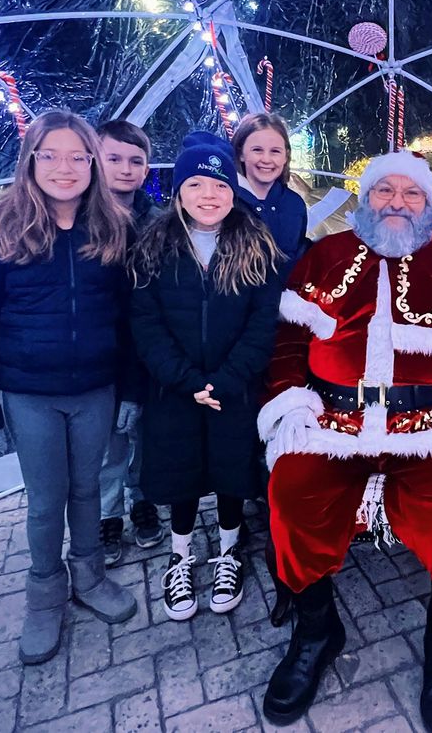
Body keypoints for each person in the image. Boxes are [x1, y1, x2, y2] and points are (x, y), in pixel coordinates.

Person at [257, 151, 432, 731]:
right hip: (330, 423)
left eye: (411, 193)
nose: (397, 202)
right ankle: (317, 632)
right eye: (383, 191)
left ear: (430, 203)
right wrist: (290, 403)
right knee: (293, 494)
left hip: (430, 428)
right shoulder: (323, 256)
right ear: (364, 197)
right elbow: (290, 341)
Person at [0, 110, 138, 666]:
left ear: (92, 164)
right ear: (31, 160)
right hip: (29, 393)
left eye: (78, 157)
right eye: (51, 155)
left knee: (87, 489)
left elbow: (129, 319)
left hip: (95, 389)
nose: (65, 168)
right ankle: (43, 595)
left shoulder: (112, 227)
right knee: (45, 500)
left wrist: (130, 388)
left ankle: (89, 576)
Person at [130, 131, 282, 621]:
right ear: (179, 193)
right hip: (175, 390)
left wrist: (227, 379)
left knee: (232, 468)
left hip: (234, 389)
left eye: (218, 185)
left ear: (232, 190)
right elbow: (146, 325)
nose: (209, 195)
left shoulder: (256, 247)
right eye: (196, 185)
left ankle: (229, 550)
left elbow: (263, 324)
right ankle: (180, 555)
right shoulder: (153, 248)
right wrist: (187, 380)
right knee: (182, 473)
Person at [95, 119, 164, 563]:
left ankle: (143, 504)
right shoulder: (77, 221)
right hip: (99, 355)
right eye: (114, 158)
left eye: (135, 161)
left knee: (144, 435)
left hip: (145, 350)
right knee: (107, 446)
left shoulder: (157, 223)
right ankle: (106, 517)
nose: (125, 169)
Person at [232, 112, 309, 268]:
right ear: (241, 153)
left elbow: (298, 257)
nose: (266, 159)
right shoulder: (225, 202)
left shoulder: (294, 204)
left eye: (275, 151)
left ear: (286, 156)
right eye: (257, 150)